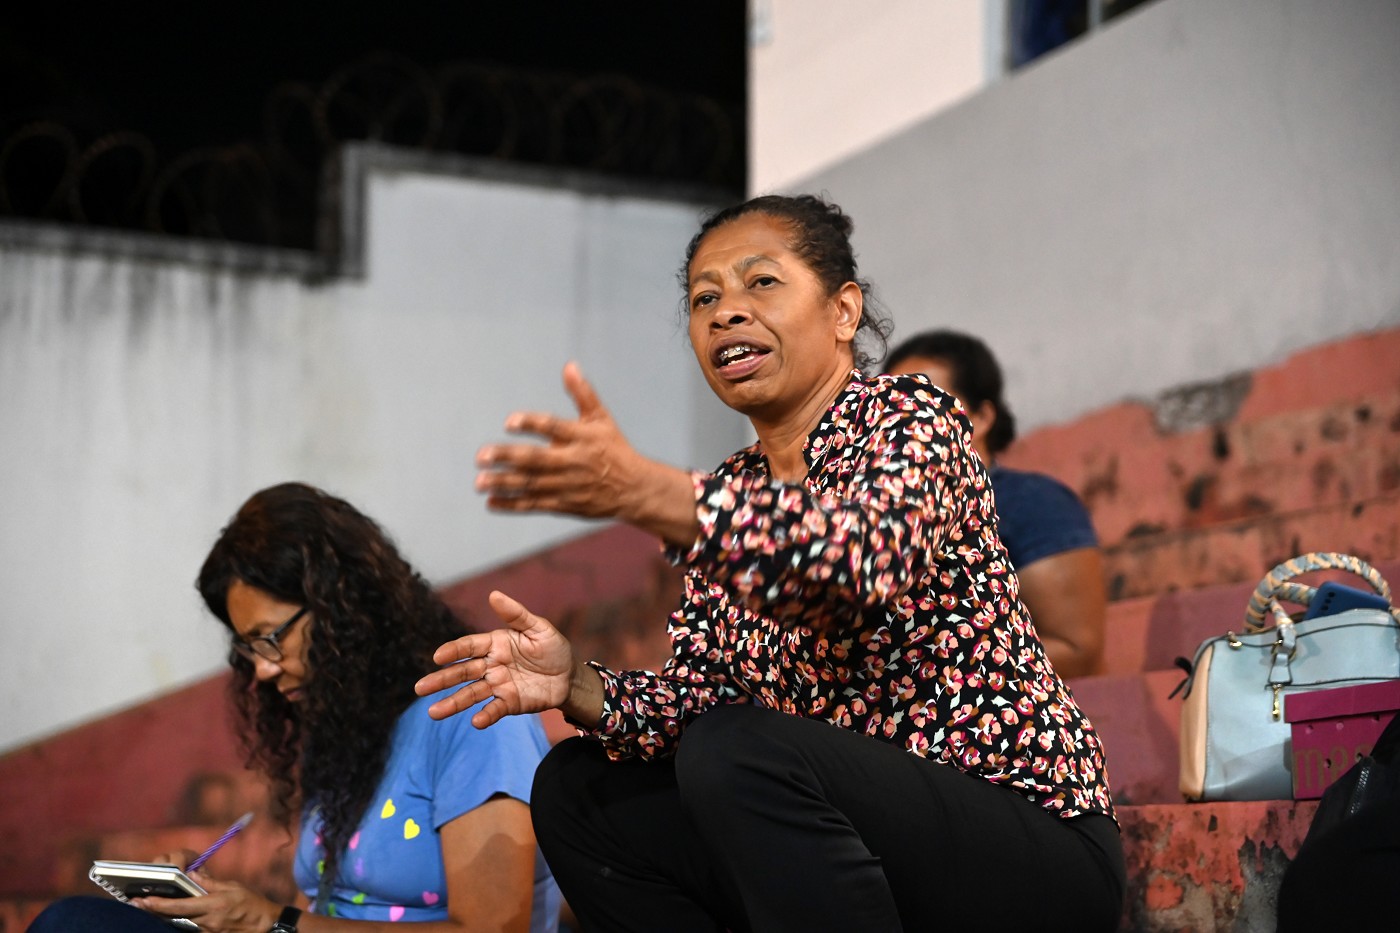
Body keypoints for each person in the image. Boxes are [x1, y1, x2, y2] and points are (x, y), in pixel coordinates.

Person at [415, 194, 1125, 932]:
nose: (726, 312)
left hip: (1028, 849)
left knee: (738, 746)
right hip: (851, 853)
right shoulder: (732, 491)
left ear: (842, 311)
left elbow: (859, 569)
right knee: (578, 786)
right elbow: (699, 700)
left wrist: (653, 492)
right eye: (705, 298)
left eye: (761, 282)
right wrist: (576, 685)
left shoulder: (911, 418)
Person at [28, 482, 559, 933]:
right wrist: (218, 907)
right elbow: (325, 915)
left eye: (270, 638)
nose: (262, 669)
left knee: (70, 925)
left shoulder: (474, 713)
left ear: (342, 609)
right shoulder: (349, 729)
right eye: (248, 649)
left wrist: (272, 922)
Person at [885, 330, 1107, 678]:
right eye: (891, 410)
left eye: (924, 406)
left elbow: (1076, 649)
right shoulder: (882, 514)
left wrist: (929, 673)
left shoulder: (1032, 503)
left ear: (982, 417)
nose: (904, 424)